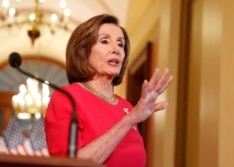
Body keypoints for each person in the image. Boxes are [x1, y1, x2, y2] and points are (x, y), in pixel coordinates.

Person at [44, 13, 173, 167]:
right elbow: (68, 164)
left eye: (120, 44)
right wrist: (130, 120)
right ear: (83, 52)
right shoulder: (66, 98)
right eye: (105, 41)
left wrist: (131, 116)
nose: (116, 49)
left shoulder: (127, 107)